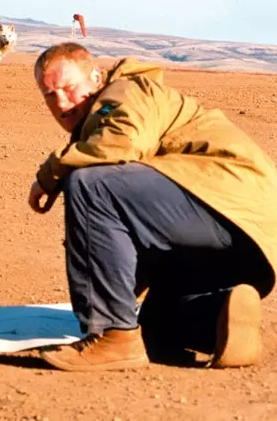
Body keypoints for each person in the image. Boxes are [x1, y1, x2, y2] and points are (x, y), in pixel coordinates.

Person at [28, 42, 277, 371]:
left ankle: (111, 336)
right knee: (154, 325)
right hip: (249, 239)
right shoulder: (106, 116)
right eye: (50, 94)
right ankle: (218, 316)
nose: (61, 103)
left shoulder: (124, 92)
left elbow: (121, 144)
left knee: (91, 185)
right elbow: (121, 232)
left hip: (224, 204)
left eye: (69, 88)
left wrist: (50, 174)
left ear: (95, 76)